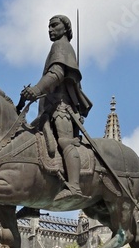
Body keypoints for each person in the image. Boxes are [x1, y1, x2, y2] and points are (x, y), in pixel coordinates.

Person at [21, 14, 92, 202]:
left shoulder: (62, 46)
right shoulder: (57, 48)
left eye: (54, 25)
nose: (50, 29)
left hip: (61, 107)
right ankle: (34, 200)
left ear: (65, 28)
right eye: (49, 26)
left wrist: (36, 89)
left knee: (65, 142)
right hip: (48, 110)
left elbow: (57, 73)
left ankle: (74, 186)